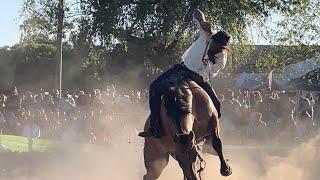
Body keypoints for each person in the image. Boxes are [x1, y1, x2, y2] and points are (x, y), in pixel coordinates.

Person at [139, 9, 231, 138]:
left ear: (223, 48)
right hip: (181, 69)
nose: (216, 47)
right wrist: (202, 21)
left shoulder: (222, 58)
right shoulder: (206, 34)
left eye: (220, 47)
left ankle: (211, 138)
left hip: (198, 78)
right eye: (216, 44)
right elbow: (197, 12)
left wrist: (197, 77)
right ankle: (154, 126)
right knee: (154, 87)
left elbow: (209, 73)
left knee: (217, 105)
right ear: (213, 40)